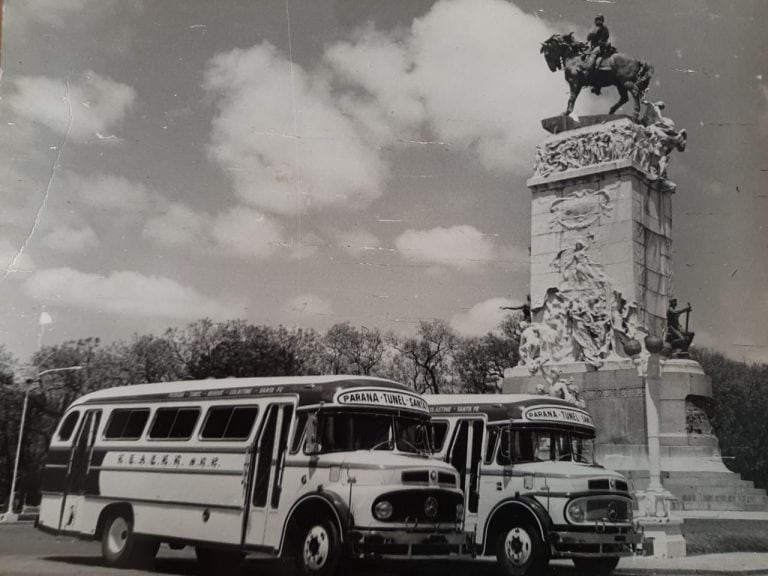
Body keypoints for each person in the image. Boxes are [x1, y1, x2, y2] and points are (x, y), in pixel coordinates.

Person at [586, 15, 610, 95]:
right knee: (583, 54)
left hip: (601, 47)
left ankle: (588, 70)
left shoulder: (604, 29)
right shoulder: (594, 28)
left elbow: (604, 38)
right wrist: (593, 32)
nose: (598, 21)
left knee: (593, 54)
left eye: (600, 20)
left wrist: (598, 38)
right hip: (593, 47)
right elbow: (588, 37)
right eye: (597, 20)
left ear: (602, 21)